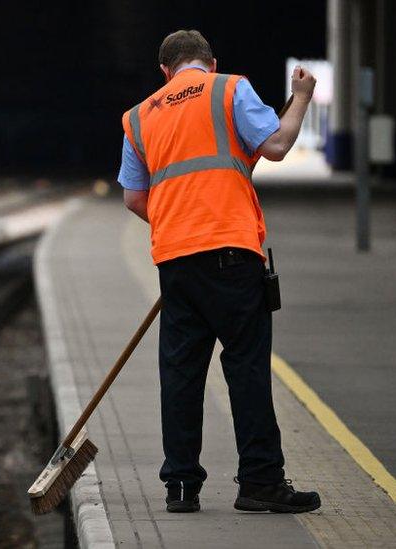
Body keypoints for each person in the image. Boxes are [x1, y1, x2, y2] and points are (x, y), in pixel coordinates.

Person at [118, 29, 321, 514]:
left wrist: (179, 224)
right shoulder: (229, 88)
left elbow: (133, 196)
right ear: (210, 63)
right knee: (246, 368)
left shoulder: (139, 116)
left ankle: (181, 488)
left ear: (165, 72)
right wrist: (302, 97)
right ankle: (260, 483)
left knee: (181, 374)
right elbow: (275, 146)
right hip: (231, 255)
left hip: (175, 261)